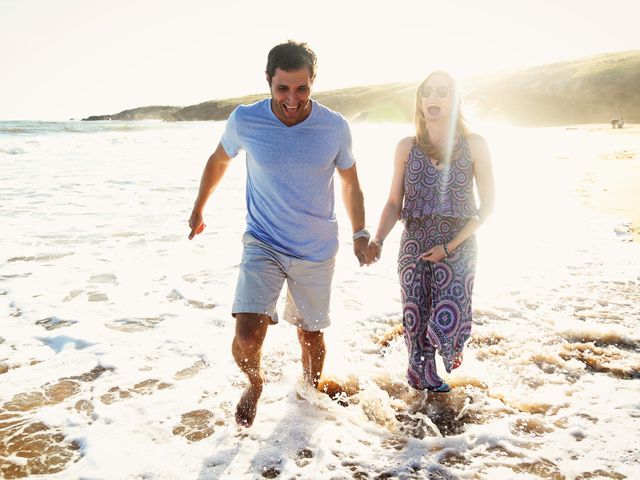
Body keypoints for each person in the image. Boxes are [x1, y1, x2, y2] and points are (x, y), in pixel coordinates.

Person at [188, 41, 373, 427]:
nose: (293, 99)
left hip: (316, 249)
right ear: (269, 82)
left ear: (313, 84)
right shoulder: (246, 120)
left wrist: (360, 232)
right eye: (283, 88)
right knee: (247, 334)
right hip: (264, 241)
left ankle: (308, 397)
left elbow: (351, 183)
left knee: (310, 336)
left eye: (302, 88)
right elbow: (219, 160)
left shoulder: (334, 127)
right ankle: (255, 383)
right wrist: (199, 208)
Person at [369, 71, 495, 392]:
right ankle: (421, 385)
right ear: (420, 101)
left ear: (455, 101)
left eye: (443, 91)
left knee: (444, 319)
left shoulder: (475, 145)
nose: (433, 98)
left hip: (459, 245)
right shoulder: (405, 147)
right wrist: (377, 239)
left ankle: (436, 366)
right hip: (415, 244)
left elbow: (488, 207)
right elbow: (394, 202)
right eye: (427, 92)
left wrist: (449, 248)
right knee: (415, 318)